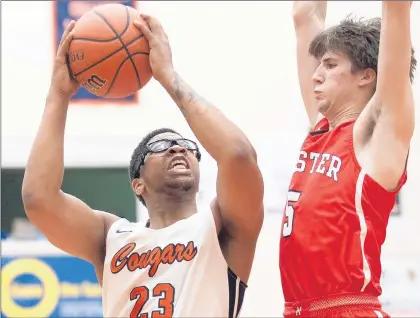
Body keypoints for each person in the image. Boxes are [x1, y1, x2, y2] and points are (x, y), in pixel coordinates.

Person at [22, 13, 264, 318]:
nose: (178, 147)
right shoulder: (111, 236)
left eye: (189, 147)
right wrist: (58, 95)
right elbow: (38, 199)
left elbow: (238, 155)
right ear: (138, 183)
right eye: (161, 146)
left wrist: (167, 75)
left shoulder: (221, 226)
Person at [279, 1, 416, 317]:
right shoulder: (321, 128)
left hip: (350, 308)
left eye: (329, 65)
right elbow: (305, 15)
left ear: (367, 76)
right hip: (297, 310)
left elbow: (396, 10)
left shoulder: (378, 137)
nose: (316, 75)